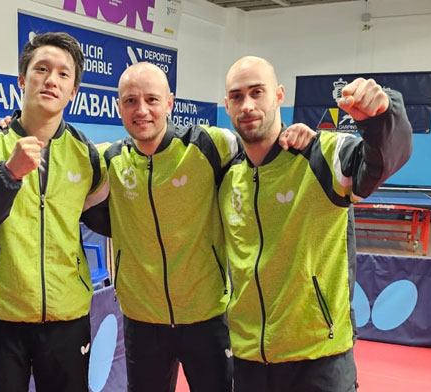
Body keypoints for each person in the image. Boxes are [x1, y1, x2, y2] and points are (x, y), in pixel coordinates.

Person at [81, 62, 315, 392]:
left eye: (151, 99)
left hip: (207, 317)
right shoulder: (109, 160)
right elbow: (61, 158)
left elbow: (261, 143)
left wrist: (294, 132)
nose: (142, 110)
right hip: (142, 321)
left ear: (169, 103)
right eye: (131, 101)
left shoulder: (209, 144)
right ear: (119, 107)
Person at [218, 56, 413, 392]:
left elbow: (381, 163)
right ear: (226, 104)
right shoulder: (224, 175)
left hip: (319, 359)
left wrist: (383, 116)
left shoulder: (322, 155)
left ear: (279, 95)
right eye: (237, 96)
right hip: (248, 357)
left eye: (257, 92)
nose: (247, 105)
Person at [0, 32, 106, 392]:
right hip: (0, 318)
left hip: (68, 318)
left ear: (74, 92)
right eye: (42, 69)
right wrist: (8, 174)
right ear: (22, 79)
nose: (52, 80)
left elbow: (104, 213)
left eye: (64, 75)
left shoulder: (88, 155)